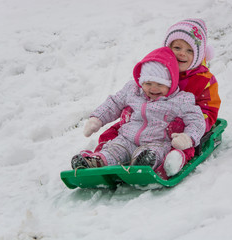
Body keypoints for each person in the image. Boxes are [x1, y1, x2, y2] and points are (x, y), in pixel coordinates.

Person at [74, 18, 221, 177]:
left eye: (190, 50)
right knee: (115, 136)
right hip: (139, 126)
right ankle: (99, 159)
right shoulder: (154, 68)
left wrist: (189, 133)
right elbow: (116, 101)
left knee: (170, 147)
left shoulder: (200, 83)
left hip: (170, 132)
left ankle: (149, 161)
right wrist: (98, 118)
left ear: (199, 55)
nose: (182, 53)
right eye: (177, 47)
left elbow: (203, 113)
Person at [71, 47, 206, 170]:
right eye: (148, 83)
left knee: (154, 153)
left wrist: (188, 137)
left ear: (171, 83)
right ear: (141, 82)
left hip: (157, 142)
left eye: (160, 84)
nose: (153, 88)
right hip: (126, 139)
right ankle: (96, 162)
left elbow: (197, 120)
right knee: (114, 149)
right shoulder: (133, 90)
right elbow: (114, 103)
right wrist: (97, 119)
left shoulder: (180, 100)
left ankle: (144, 163)